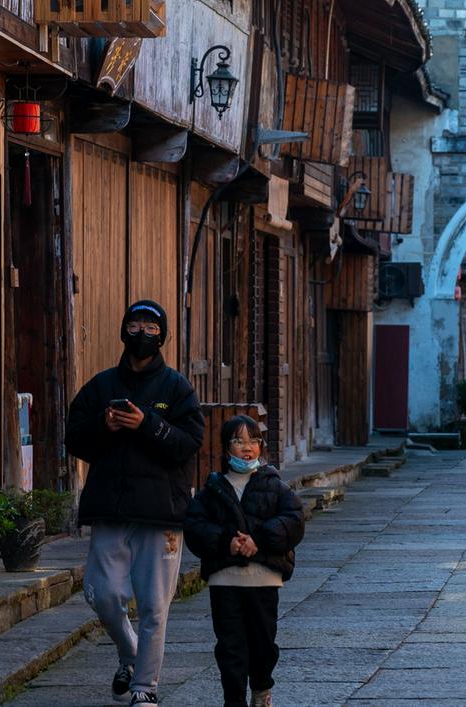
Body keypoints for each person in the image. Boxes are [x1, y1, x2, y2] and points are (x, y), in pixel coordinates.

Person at [65, 300, 207, 705]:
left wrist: (149, 425)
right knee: (101, 593)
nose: (142, 332)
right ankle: (128, 651)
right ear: (123, 329)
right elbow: (73, 438)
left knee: (154, 606)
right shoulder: (101, 385)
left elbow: (188, 445)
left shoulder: (177, 388)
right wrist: (104, 426)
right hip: (109, 507)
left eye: (151, 326)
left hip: (162, 512)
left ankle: (145, 687)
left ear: (162, 336)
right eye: (135, 324)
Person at [183, 415, 306, 707]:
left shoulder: (274, 484)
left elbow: (294, 520)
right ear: (227, 448)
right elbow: (195, 526)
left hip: (263, 578)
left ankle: (261, 689)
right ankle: (233, 700)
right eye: (238, 441)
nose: (246, 447)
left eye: (253, 441)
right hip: (225, 580)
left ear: (261, 447)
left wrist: (258, 541)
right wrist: (226, 541)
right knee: (230, 645)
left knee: (263, 643)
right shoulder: (213, 489)